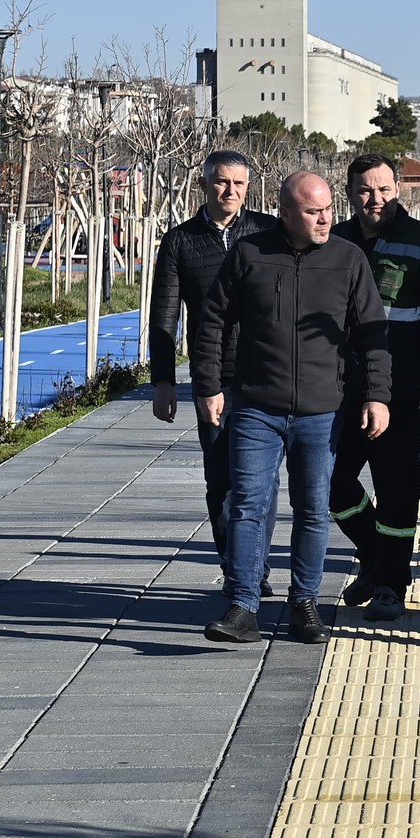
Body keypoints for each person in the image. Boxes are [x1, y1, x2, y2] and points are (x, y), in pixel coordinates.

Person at [190, 171, 390, 645]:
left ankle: (305, 603)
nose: (326, 219)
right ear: (285, 213)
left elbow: (374, 334)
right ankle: (242, 605)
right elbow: (212, 320)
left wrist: (378, 396)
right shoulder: (250, 254)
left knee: (313, 509)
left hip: (323, 412)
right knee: (247, 505)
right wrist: (209, 385)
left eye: (328, 210)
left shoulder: (348, 259)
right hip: (257, 406)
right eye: (313, 212)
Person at [330, 153, 420, 622]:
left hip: (403, 387)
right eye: (365, 190)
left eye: (384, 188)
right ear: (349, 193)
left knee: (398, 489)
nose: (375, 199)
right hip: (338, 388)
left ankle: (390, 584)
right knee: (332, 483)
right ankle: (377, 557)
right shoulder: (334, 240)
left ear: (399, 188)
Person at [148, 150, 278, 592]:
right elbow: (165, 316)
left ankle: (255, 567)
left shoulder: (268, 232)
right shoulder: (180, 241)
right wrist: (164, 382)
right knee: (221, 479)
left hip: (266, 372)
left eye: (240, 184)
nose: (231, 192)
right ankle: (236, 567)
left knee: (262, 480)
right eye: (222, 182)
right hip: (213, 377)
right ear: (204, 184)